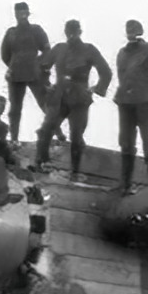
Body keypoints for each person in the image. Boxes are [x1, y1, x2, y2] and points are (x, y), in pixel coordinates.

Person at [35, 20, 112, 177]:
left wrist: (96, 89)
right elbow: (42, 67)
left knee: (76, 136)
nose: (71, 35)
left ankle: (75, 171)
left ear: (80, 32)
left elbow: (106, 72)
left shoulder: (89, 50)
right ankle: (42, 163)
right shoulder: (59, 49)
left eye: (74, 31)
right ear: (65, 32)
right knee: (46, 129)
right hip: (59, 96)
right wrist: (46, 85)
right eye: (69, 32)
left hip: (79, 99)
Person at [113, 19, 148, 192]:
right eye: (129, 31)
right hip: (125, 101)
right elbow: (121, 75)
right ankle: (126, 183)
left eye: (135, 30)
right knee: (126, 141)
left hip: (145, 101)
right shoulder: (122, 53)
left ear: (140, 32)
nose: (132, 34)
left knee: (147, 139)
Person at [0, 1, 51, 145]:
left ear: (28, 13)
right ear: (15, 15)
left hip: (35, 73)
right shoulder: (11, 33)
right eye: (19, 13)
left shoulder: (36, 30)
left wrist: (40, 64)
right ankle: (14, 139)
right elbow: (4, 54)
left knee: (45, 103)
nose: (22, 16)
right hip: (16, 75)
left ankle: (57, 134)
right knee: (15, 108)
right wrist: (14, 64)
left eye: (24, 13)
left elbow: (47, 50)